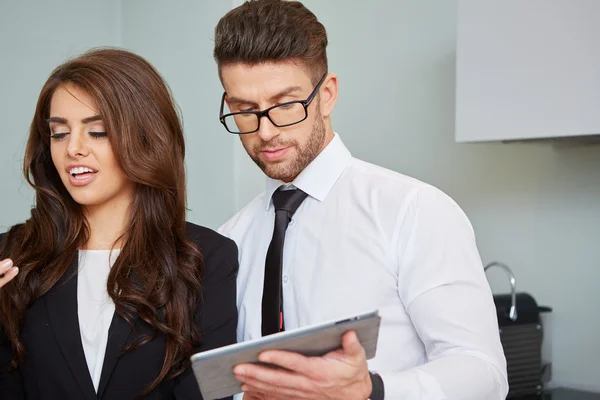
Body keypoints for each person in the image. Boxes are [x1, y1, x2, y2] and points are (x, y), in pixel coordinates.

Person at [215, 1, 508, 399]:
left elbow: (484, 372)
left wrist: (371, 391)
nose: (265, 132)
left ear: (327, 95)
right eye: (246, 110)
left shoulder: (415, 211)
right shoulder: (230, 240)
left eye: (285, 105)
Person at [0, 48, 238, 400]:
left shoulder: (206, 259)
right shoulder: (11, 257)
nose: (73, 149)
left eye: (97, 131)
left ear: (144, 137)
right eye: (59, 133)